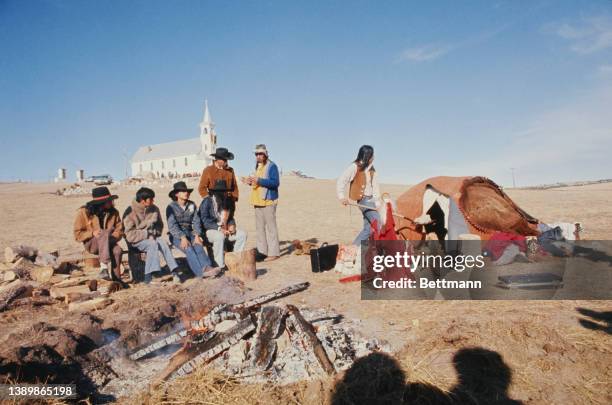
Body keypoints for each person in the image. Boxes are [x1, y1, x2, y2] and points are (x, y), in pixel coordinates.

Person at [123, 187, 180, 284]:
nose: (153, 201)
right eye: (151, 199)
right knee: (152, 244)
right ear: (142, 201)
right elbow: (129, 235)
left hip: (152, 237)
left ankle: (175, 271)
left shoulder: (154, 209)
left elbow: (160, 226)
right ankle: (149, 276)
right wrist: (147, 233)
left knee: (163, 242)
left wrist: (153, 233)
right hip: (135, 241)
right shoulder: (130, 212)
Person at [166, 181, 221, 279]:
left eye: (187, 191)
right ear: (176, 194)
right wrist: (182, 237)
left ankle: (208, 268)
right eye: (183, 191)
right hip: (176, 235)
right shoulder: (171, 207)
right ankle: (200, 273)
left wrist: (197, 235)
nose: (186, 193)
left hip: (190, 233)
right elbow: (172, 226)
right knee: (189, 249)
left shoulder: (191, 205)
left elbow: (196, 221)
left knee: (198, 246)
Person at [73, 186, 126, 286]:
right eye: (108, 201)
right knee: (103, 232)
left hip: (109, 241)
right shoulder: (84, 212)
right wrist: (92, 233)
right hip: (92, 244)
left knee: (117, 250)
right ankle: (104, 267)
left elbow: (120, 230)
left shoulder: (114, 212)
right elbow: (77, 234)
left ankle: (117, 281)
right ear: (100, 203)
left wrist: (112, 237)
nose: (112, 203)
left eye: (111, 200)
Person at [195, 180, 247, 268]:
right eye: (221, 192)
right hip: (210, 231)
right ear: (215, 192)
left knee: (242, 235)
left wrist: (232, 225)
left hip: (226, 229)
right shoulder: (207, 202)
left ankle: (235, 260)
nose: (224, 193)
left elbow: (230, 217)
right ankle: (220, 266)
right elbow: (204, 220)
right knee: (219, 236)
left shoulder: (229, 201)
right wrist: (219, 229)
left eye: (225, 191)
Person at [242, 144, 280, 262]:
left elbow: (275, 183)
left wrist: (259, 180)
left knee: (271, 228)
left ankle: (274, 253)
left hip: (268, 201)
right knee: (259, 229)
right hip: (257, 201)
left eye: (260, 154)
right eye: (256, 154)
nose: (258, 156)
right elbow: (257, 184)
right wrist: (249, 181)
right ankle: (262, 252)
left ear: (265, 154)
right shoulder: (257, 167)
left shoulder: (272, 166)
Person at [337, 145, 381, 245]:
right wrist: (341, 196)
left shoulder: (372, 169)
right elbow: (341, 180)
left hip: (371, 201)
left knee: (368, 229)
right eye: (372, 154)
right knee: (379, 224)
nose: (374, 157)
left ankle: (353, 249)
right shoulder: (355, 167)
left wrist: (377, 203)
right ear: (367, 156)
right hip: (363, 201)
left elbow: (375, 187)